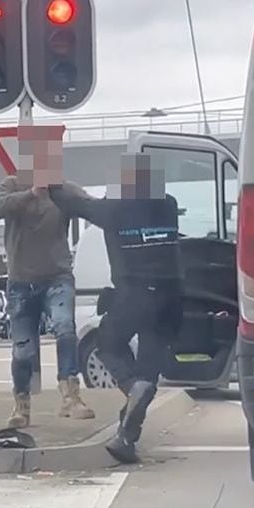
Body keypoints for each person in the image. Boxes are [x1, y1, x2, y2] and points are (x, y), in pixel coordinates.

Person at [48, 153, 183, 464]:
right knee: (148, 374)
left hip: (137, 294)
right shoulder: (169, 204)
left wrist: (48, 180)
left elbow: (75, 204)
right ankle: (126, 438)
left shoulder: (116, 209)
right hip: (173, 296)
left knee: (108, 342)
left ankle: (130, 386)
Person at [0, 126, 95, 428]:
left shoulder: (63, 190)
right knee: (23, 348)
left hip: (57, 277)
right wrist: (30, 194)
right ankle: (21, 405)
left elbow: (92, 207)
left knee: (64, 328)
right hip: (21, 281)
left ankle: (70, 395)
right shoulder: (11, 186)